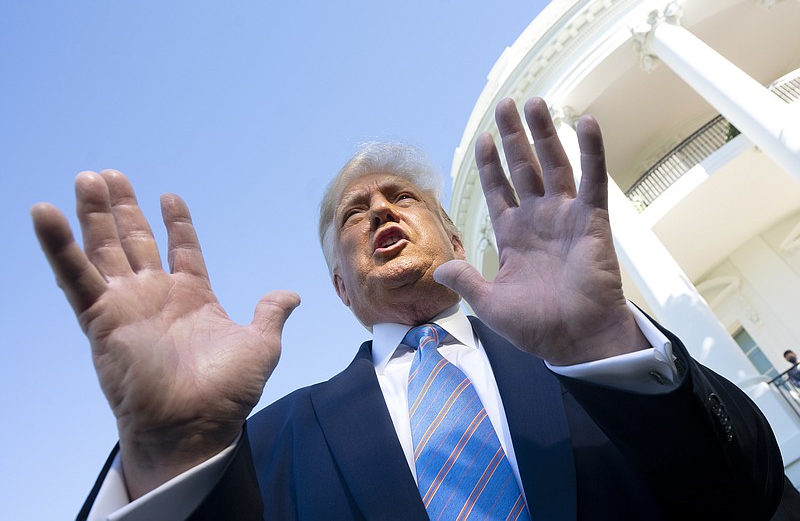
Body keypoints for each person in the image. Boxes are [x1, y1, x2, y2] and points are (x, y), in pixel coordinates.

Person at [33, 98, 784, 520]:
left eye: (403, 197)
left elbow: (750, 494)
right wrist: (169, 454)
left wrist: (604, 342)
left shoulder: (595, 361)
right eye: (356, 212)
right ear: (340, 287)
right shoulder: (267, 443)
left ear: (454, 235)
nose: (380, 210)